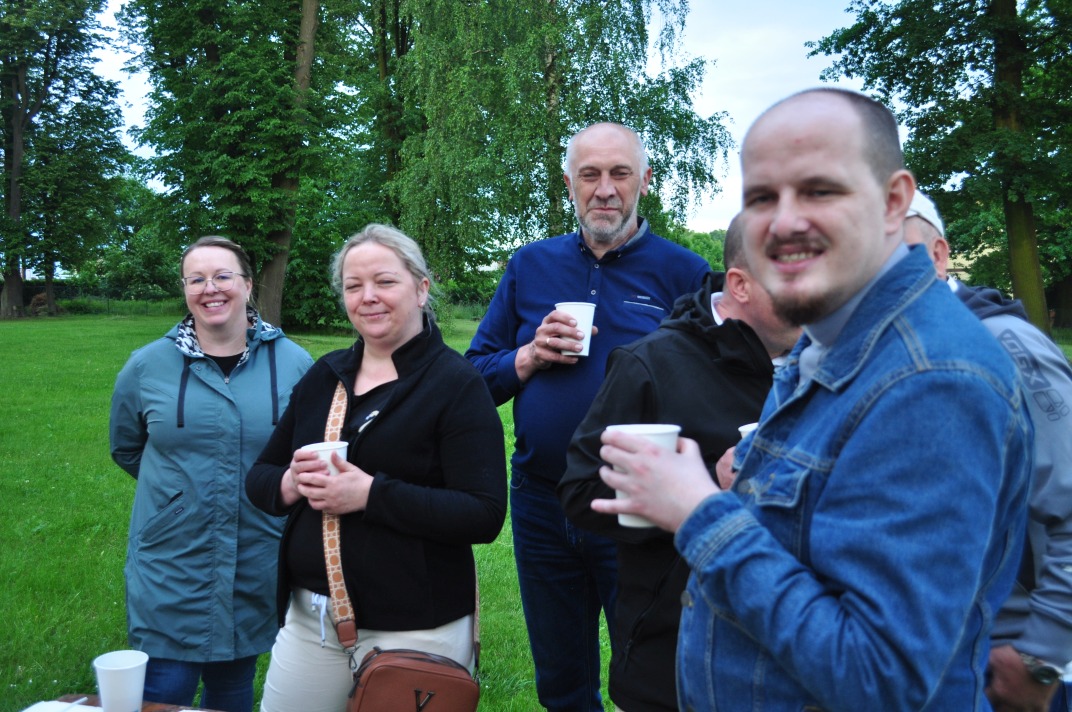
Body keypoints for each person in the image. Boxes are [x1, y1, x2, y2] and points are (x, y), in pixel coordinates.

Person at [591, 87, 1033, 711]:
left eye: (820, 190)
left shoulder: (932, 380)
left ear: (893, 200)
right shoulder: (825, 344)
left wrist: (698, 512)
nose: (784, 222)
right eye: (761, 198)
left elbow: (878, 678)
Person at [465, 122, 709, 711]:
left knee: (651, 679)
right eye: (590, 175)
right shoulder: (530, 265)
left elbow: (717, 388)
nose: (604, 189)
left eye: (619, 173)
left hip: (637, 503)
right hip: (541, 501)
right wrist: (527, 356)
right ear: (568, 183)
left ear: (644, 181)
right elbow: (472, 379)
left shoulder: (684, 273)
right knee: (561, 681)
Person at [246, 224, 507, 712]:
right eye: (353, 285)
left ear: (421, 288)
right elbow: (260, 478)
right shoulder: (325, 376)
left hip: (416, 630)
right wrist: (290, 482)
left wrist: (370, 494)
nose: (368, 297)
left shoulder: (456, 385)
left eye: (385, 281)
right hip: (311, 622)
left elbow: (483, 514)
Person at [557, 214, 800, 712]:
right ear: (741, 285)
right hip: (676, 662)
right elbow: (581, 492)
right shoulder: (652, 364)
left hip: (800, 660)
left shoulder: (832, 364)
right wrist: (703, 491)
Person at [109, 236, 314, 712]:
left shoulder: (294, 364)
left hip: (257, 550)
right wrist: (177, 498)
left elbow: (304, 452)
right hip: (171, 558)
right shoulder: (146, 366)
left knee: (233, 685)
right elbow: (126, 447)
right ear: (185, 289)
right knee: (165, 687)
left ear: (248, 284)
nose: (210, 288)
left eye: (222, 276)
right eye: (196, 279)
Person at [904, 190, 1072, 712]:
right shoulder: (883, 353)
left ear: (939, 255)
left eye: (898, 254)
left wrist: (1042, 656)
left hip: (1007, 666)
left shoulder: (1003, 346)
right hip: (922, 660)